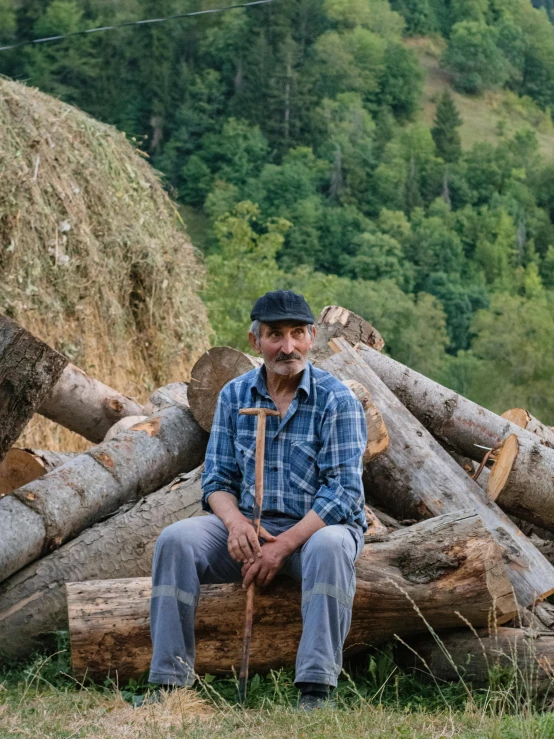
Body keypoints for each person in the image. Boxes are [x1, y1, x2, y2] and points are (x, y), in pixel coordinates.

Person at [145, 290, 367, 710]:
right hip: (249, 524)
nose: (288, 347)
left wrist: (283, 546)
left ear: (312, 336)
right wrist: (235, 524)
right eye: (275, 335)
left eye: (297, 334)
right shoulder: (234, 396)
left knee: (332, 546)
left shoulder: (337, 401)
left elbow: (344, 494)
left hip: (314, 530)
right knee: (176, 540)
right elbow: (216, 480)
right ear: (255, 341)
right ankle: (168, 687)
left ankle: (316, 690)